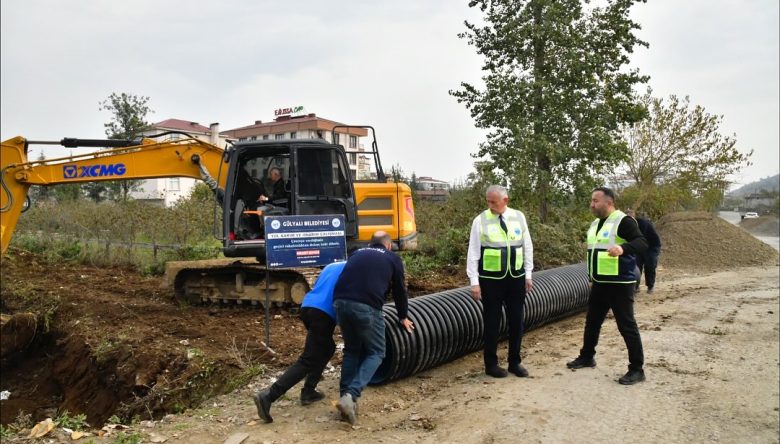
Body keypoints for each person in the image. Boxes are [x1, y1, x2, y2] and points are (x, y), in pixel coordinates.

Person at [567, 187, 648, 385]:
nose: (591, 204)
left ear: (608, 202)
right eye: (592, 200)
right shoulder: (595, 224)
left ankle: (637, 369)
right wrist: (590, 276)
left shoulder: (623, 221)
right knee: (592, 322)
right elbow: (594, 253)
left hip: (620, 283)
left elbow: (642, 242)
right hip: (600, 283)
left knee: (626, 326)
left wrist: (623, 248)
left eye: (595, 201)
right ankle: (587, 356)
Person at [332, 231, 414, 425]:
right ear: (387, 246)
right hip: (365, 307)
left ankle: (346, 401)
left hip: (340, 303)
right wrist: (403, 316)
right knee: (377, 352)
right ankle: (351, 396)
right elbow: (399, 289)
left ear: (371, 244)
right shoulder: (392, 258)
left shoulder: (357, 253)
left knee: (352, 350)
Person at [252, 261, 346, 423]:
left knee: (327, 348)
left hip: (308, 307)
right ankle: (268, 395)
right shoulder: (354, 269)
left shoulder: (331, 266)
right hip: (323, 314)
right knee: (308, 359)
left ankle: (309, 391)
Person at [466, 185, 534, 378]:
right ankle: (491, 365)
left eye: (493, 202)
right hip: (491, 280)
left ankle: (515, 362)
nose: (490, 205)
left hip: (516, 278)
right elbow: (473, 252)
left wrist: (528, 273)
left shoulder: (518, 217)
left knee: (516, 321)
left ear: (505, 200)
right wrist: (474, 281)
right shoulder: (480, 221)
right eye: (488, 201)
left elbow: (527, 246)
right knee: (492, 323)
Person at [626, 209, 661, 294]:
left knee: (650, 264)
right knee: (636, 267)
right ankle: (636, 287)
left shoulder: (643, 223)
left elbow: (640, 239)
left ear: (634, 217)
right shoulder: (628, 226)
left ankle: (650, 286)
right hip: (640, 247)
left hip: (652, 246)